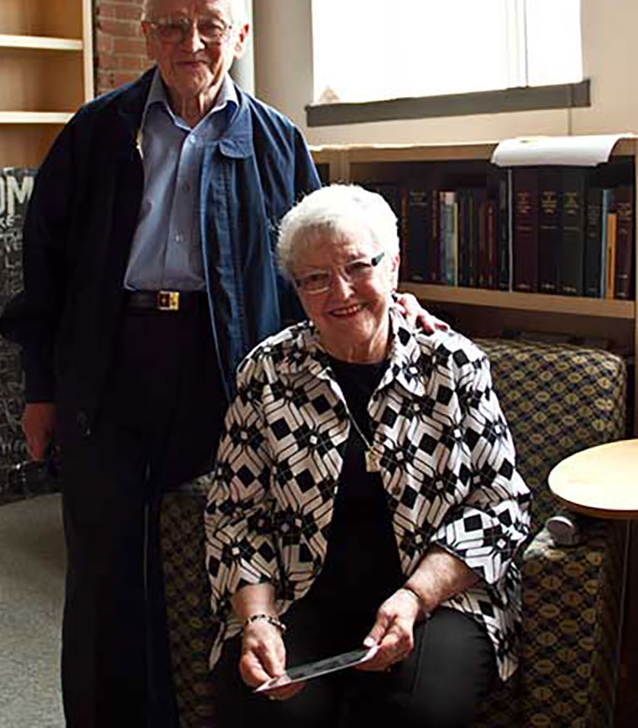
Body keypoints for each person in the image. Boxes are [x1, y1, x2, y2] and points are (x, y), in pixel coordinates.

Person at [0, 0, 435, 728]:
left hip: (228, 367)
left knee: (221, 553)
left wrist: (393, 309)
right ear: (145, 33)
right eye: (172, 26)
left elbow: (323, 254)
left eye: (209, 26)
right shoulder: (97, 132)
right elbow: (46, 270)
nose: (190, 42)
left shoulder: (276, 140)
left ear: (241, 33)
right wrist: (41, 388)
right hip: (110, 363)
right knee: (105, 572)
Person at [205, 184, 532, 728]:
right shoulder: (265, 374)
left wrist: (414, 597)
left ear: (393, 266)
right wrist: (257, 620)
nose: (340, 292)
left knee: (416, 712)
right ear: (297, 290)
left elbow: (502, 505)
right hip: (299, 591)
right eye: (314, 279)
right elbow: (233, 515)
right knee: (269, 710)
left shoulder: (452, 366)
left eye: (357, 266)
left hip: (439, 597)